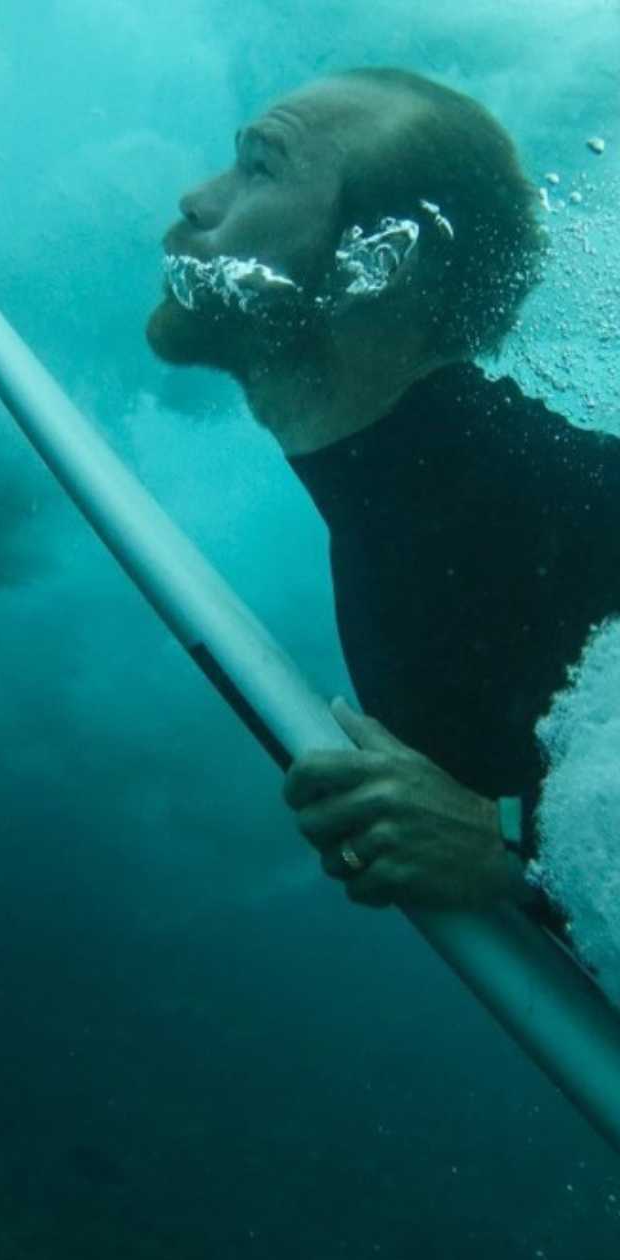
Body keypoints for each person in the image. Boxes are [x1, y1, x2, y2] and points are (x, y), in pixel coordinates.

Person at [146, 67, 620, 914]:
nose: (196, 199)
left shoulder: (565, 495)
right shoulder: (416, 501)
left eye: (261, 167)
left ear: (382, 262)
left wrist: (514, 839)